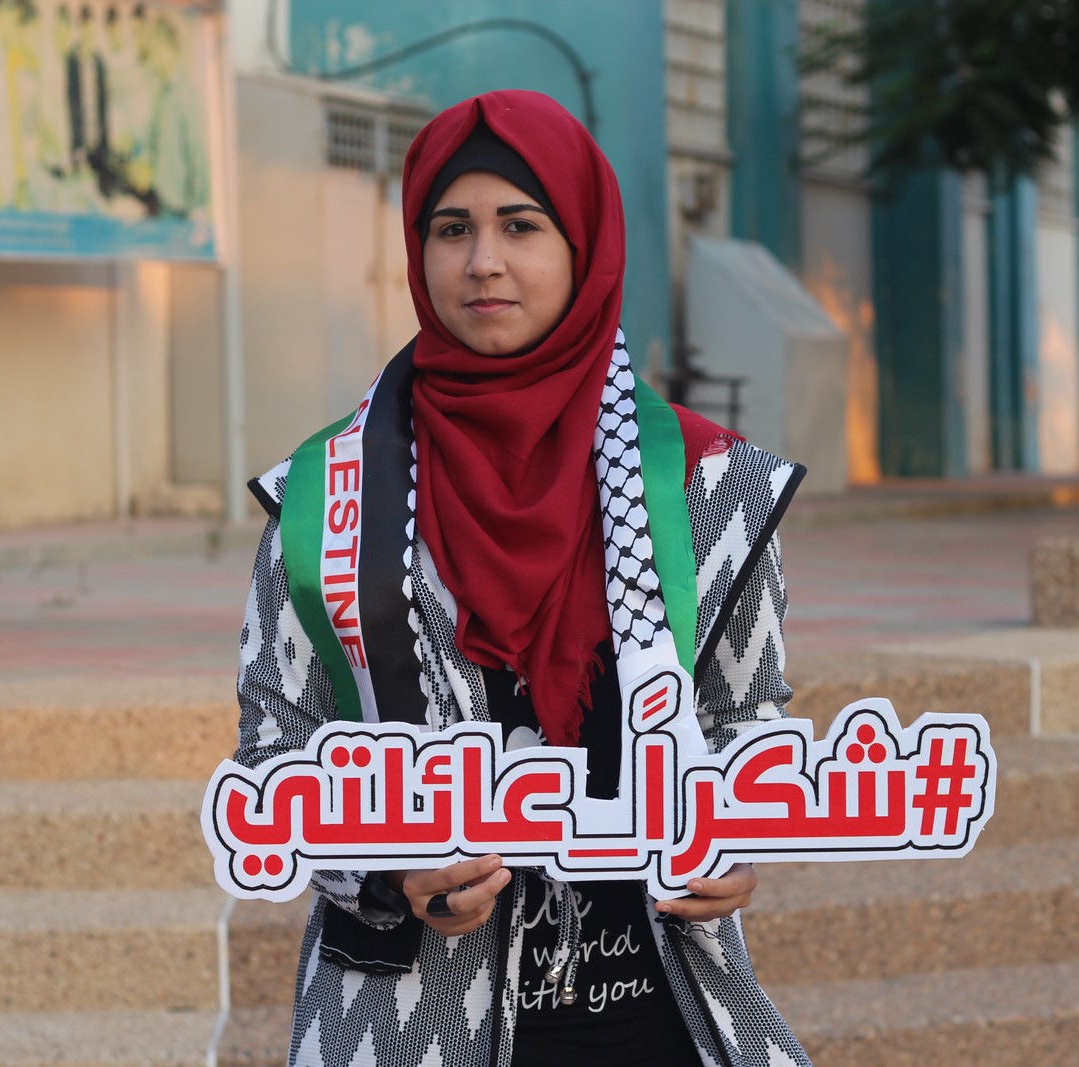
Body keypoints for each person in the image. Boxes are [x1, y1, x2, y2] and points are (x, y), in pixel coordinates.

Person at [231, 89, 812, 1067]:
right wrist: (386, 868)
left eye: (521, 225)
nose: (482, 262)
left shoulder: (711, 487)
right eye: (451, 229)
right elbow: (272, 757)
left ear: (585, 247)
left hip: (658, 1022)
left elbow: (743, 717)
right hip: (408, 1026)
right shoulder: (325, 497)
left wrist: (737, 834)